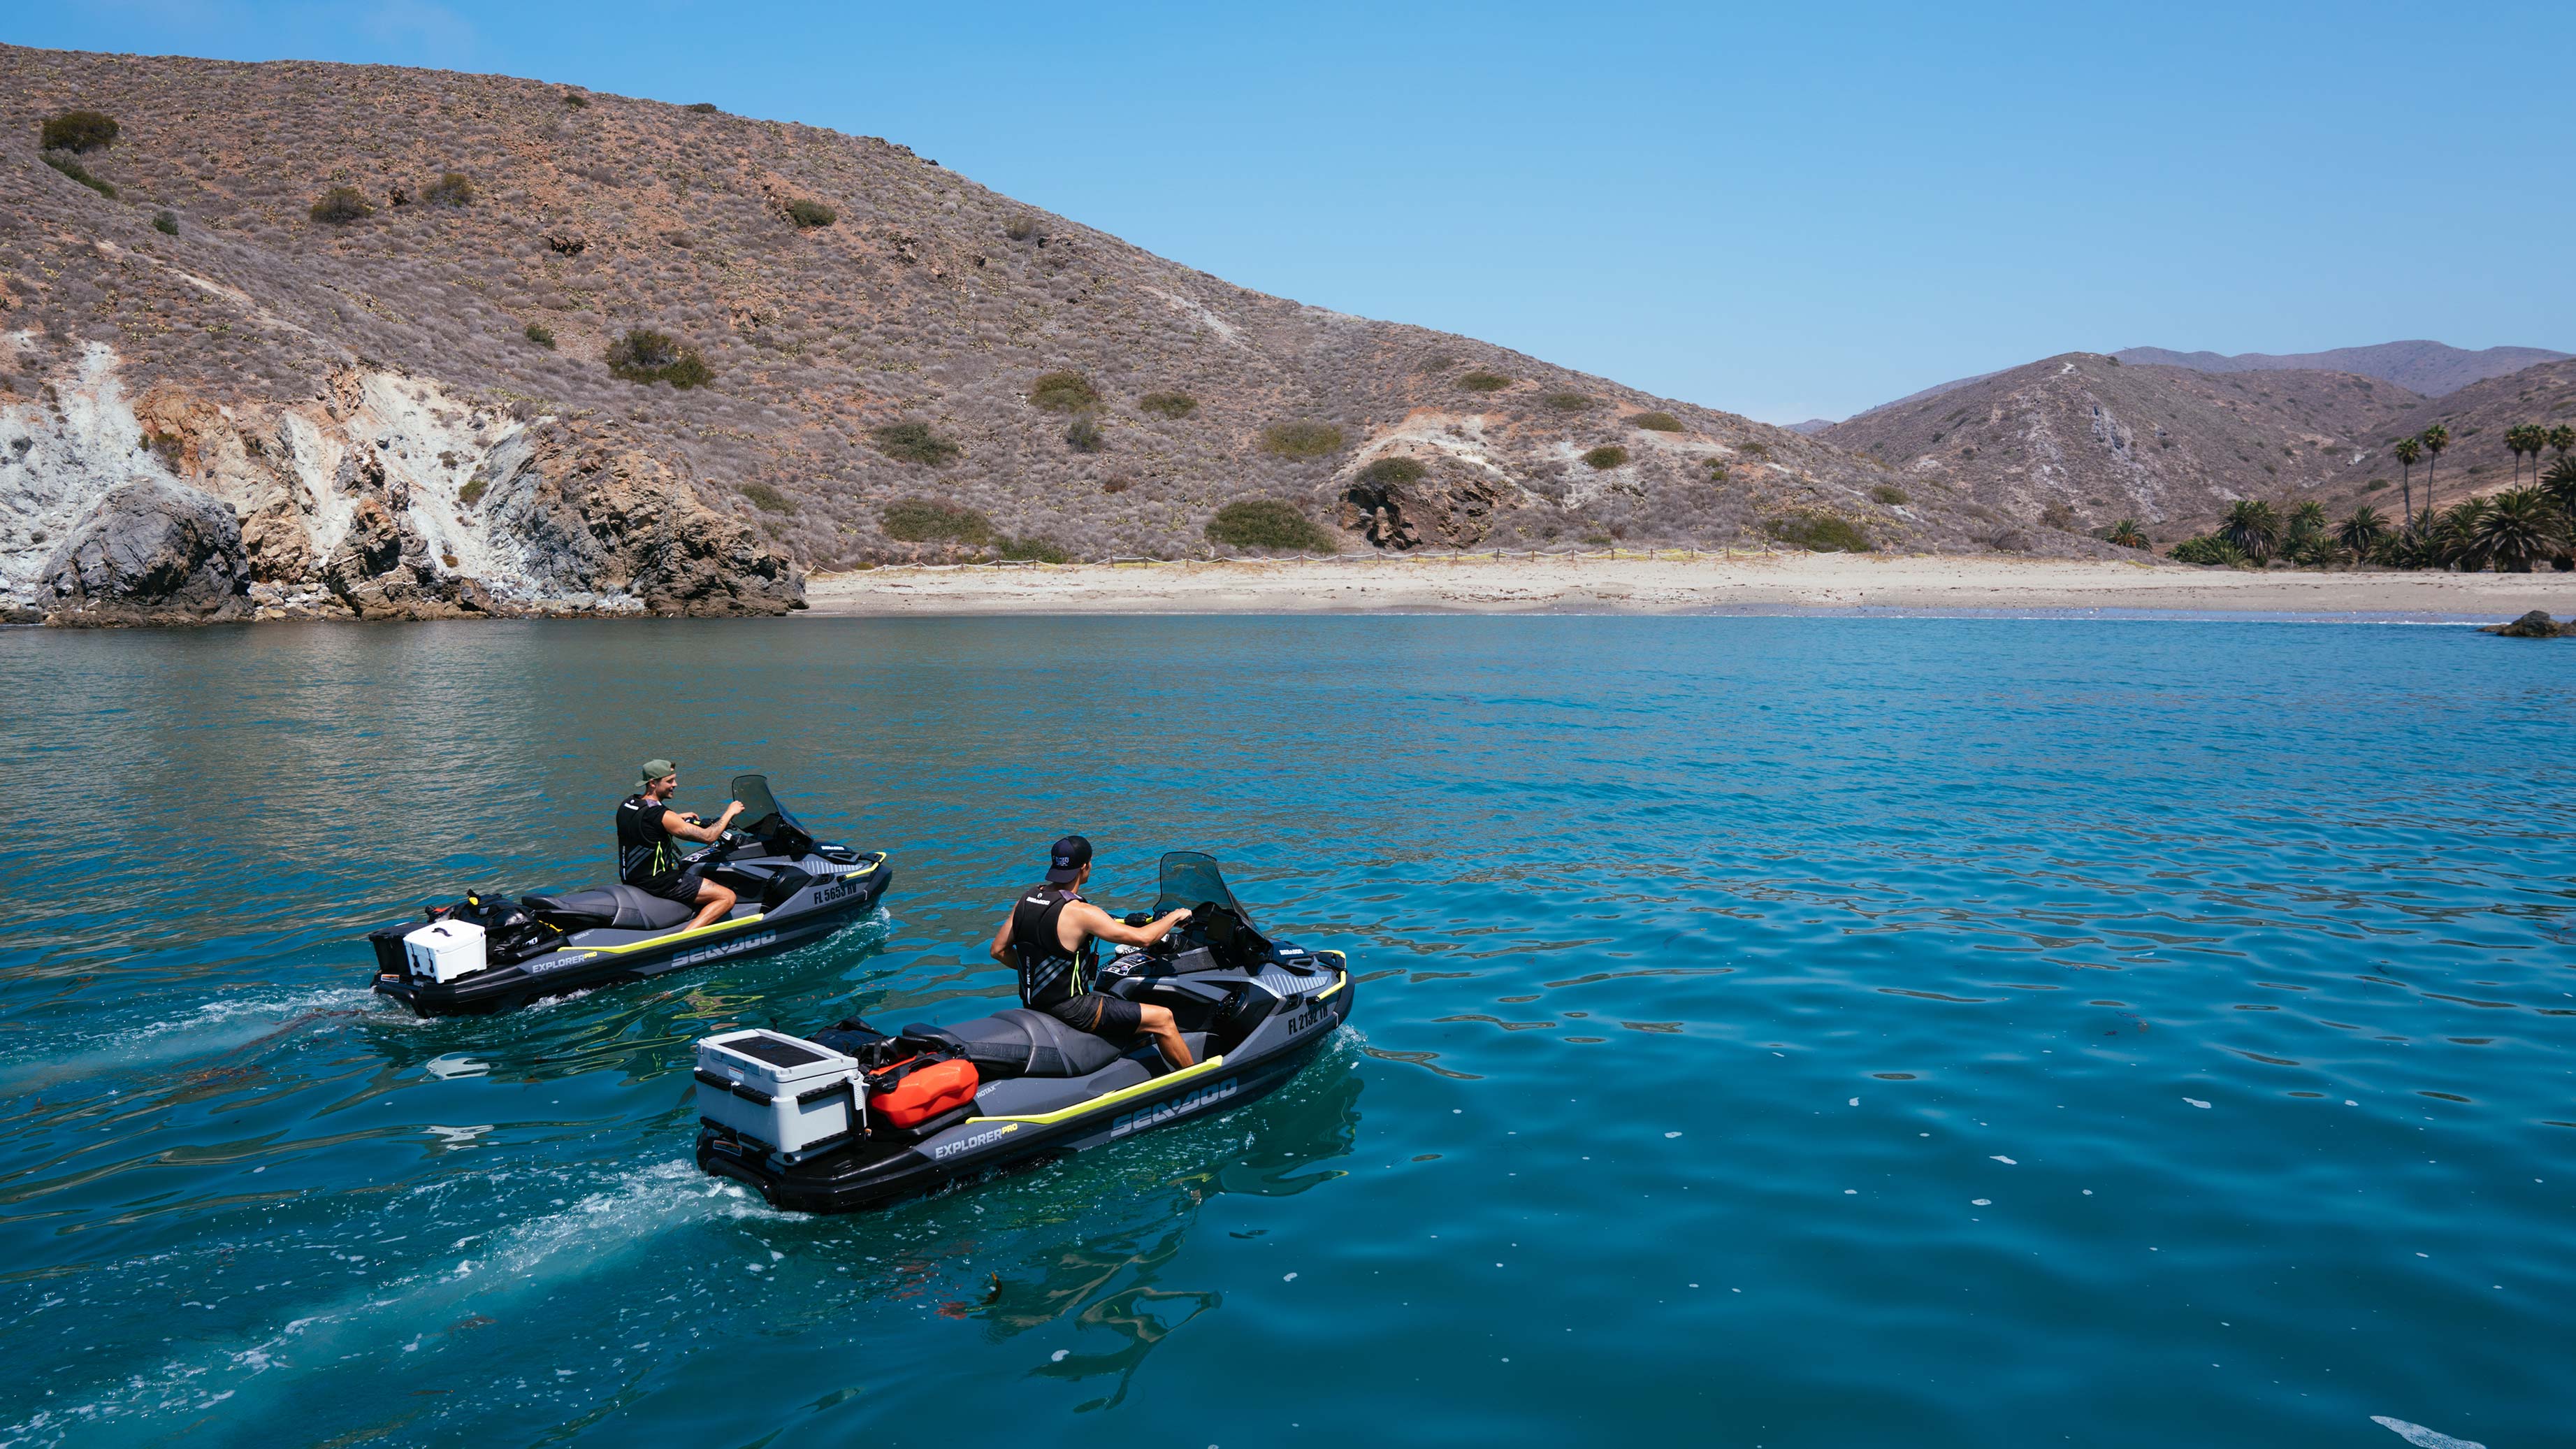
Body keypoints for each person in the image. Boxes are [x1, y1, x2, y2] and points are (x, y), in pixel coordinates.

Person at [989, 835, 1197, 1069]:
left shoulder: (1026, 899)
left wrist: (1035, 972)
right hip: (1074, 1009)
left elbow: (998, 950)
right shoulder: (1080, 911)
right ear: (1086, 867)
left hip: (1034, 1003)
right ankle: (1196, 1081)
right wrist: (1175, 916)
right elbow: (1145, 938)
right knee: (1163, 1018)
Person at [616, 760, 744, 931]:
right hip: (659, 882)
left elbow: (646, 821)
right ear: (653, 783)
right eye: (670, 781)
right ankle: (686, 937)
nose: (675, 784)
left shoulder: (628, 804)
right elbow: (709, 837)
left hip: (633, 878)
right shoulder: (661, 815)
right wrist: (730, 812)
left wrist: (676, 817)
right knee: (727, 897)